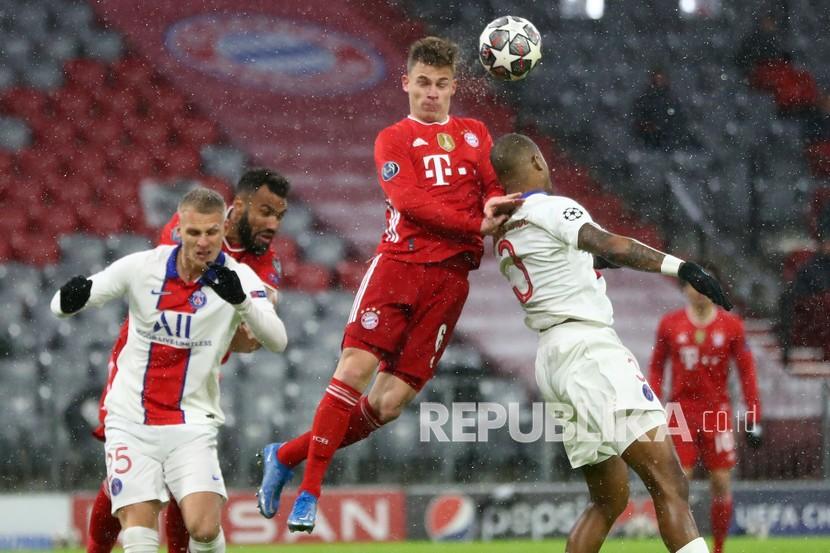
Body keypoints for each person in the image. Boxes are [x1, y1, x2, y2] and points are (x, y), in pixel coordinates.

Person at [255, 36, 522, 532]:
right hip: (400, 267)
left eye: (441, 85)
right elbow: (412, 203)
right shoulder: (393, 139)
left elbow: (491, 185)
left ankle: (287, 453)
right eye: (422, 83)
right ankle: (310, 490)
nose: (431, 93)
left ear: (452, 87)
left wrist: (492, 204)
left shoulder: (474, 133)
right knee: (355, 368)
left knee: (388, 404)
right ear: (406, 83)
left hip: (450, 282)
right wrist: (475, 225)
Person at [489, 133, 732, 553]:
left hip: (554, 360)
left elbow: (584, 258)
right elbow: (608, 245)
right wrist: (682, 267)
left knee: (608, 500)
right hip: (590, 353)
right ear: (535, 159)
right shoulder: (552, 207)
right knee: (670, 483)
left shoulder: (506, 229)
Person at [52, 188, 288, 553]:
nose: (203, 242)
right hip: (132, 419)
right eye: (194, 233)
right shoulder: (143, 267)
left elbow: (277, 340)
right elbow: (71, 301)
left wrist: (240, 301)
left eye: (212, 232)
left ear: (222, 231)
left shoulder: (238, 277)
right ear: (179, 231)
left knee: (205, 529)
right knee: (139, 534)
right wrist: (66, 300)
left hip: (192, 422)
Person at [649, 264, 762, 553]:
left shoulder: (732, 325)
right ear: (684, 289)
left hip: (717, 412)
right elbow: (656, 369)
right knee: (679, 482)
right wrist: (650, 407)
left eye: (705, 285)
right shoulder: (670, 324)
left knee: (721, 482)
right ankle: (683, 546)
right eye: (694, 285)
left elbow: (747, 373)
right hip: (681, 412)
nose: (700, 292)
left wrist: (753, 417)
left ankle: (719, 549)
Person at [632, 67, 695, 151]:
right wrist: (648, 126)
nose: (658, 81)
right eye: (656, 78)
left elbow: (680, 120)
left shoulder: (673, 99)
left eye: (661, 78)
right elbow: (638, 119)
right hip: (649, 141)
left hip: (670, 141)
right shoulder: (644, 99)